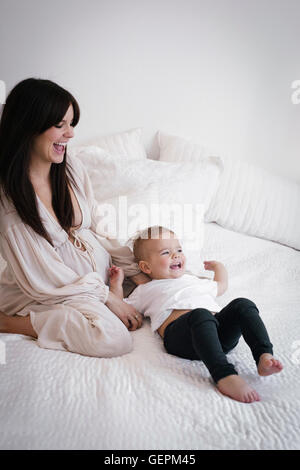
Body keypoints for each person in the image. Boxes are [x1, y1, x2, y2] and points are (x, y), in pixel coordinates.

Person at [0, 77, 149, 358]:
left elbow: (97, 230)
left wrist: (134, 270)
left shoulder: (70, 167)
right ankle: (9, 322)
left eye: (71, 124)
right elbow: (43, 275)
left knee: (165, 277)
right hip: (48, 287)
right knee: (112, 338)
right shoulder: (10, 199)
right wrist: (106, 298)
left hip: (93, 279)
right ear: (28, 126)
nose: (70, 135)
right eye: (60, 125)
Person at [109, 225, 283, 403]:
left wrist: (219, 268)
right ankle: (224, 375)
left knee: (243, 304)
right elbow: (123, 308)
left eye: (178, 250)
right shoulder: (145, 289)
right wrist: (116, 284)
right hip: (183, 339)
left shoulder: (193, 280)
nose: (176, 255)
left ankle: (264, 355)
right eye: (165, 252)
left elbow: (220, 286)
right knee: (201, 315)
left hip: (219, 335)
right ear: (146, 267)